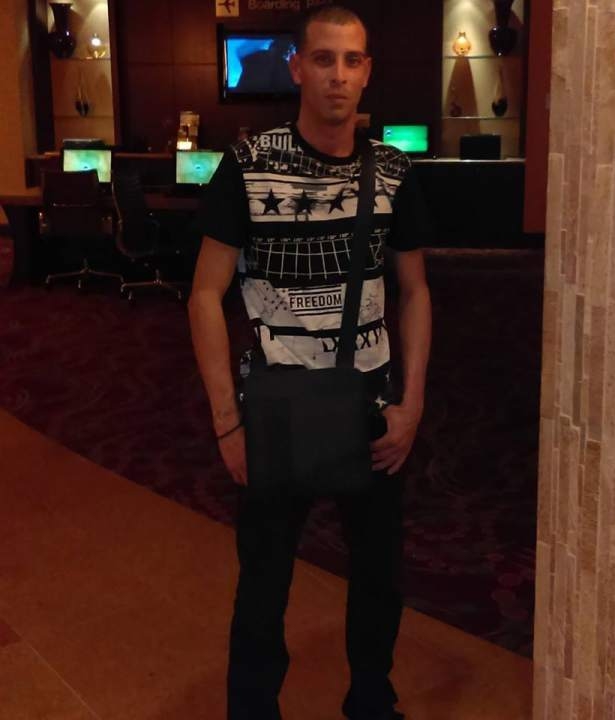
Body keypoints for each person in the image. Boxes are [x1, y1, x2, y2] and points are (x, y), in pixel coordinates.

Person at [188, 6, 432, 720]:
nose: (338, 76)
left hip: (370, 406)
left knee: (379, 576)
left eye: (352, 60)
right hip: (277, 408)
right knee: (264, 584)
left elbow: (415, 291)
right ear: (296, 67)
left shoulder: (393, 171)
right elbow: (204, 295)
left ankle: (371, 701)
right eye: (323, 59)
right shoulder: (248, 165)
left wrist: (412, 403)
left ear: (367, 71)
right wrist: (227, 423)